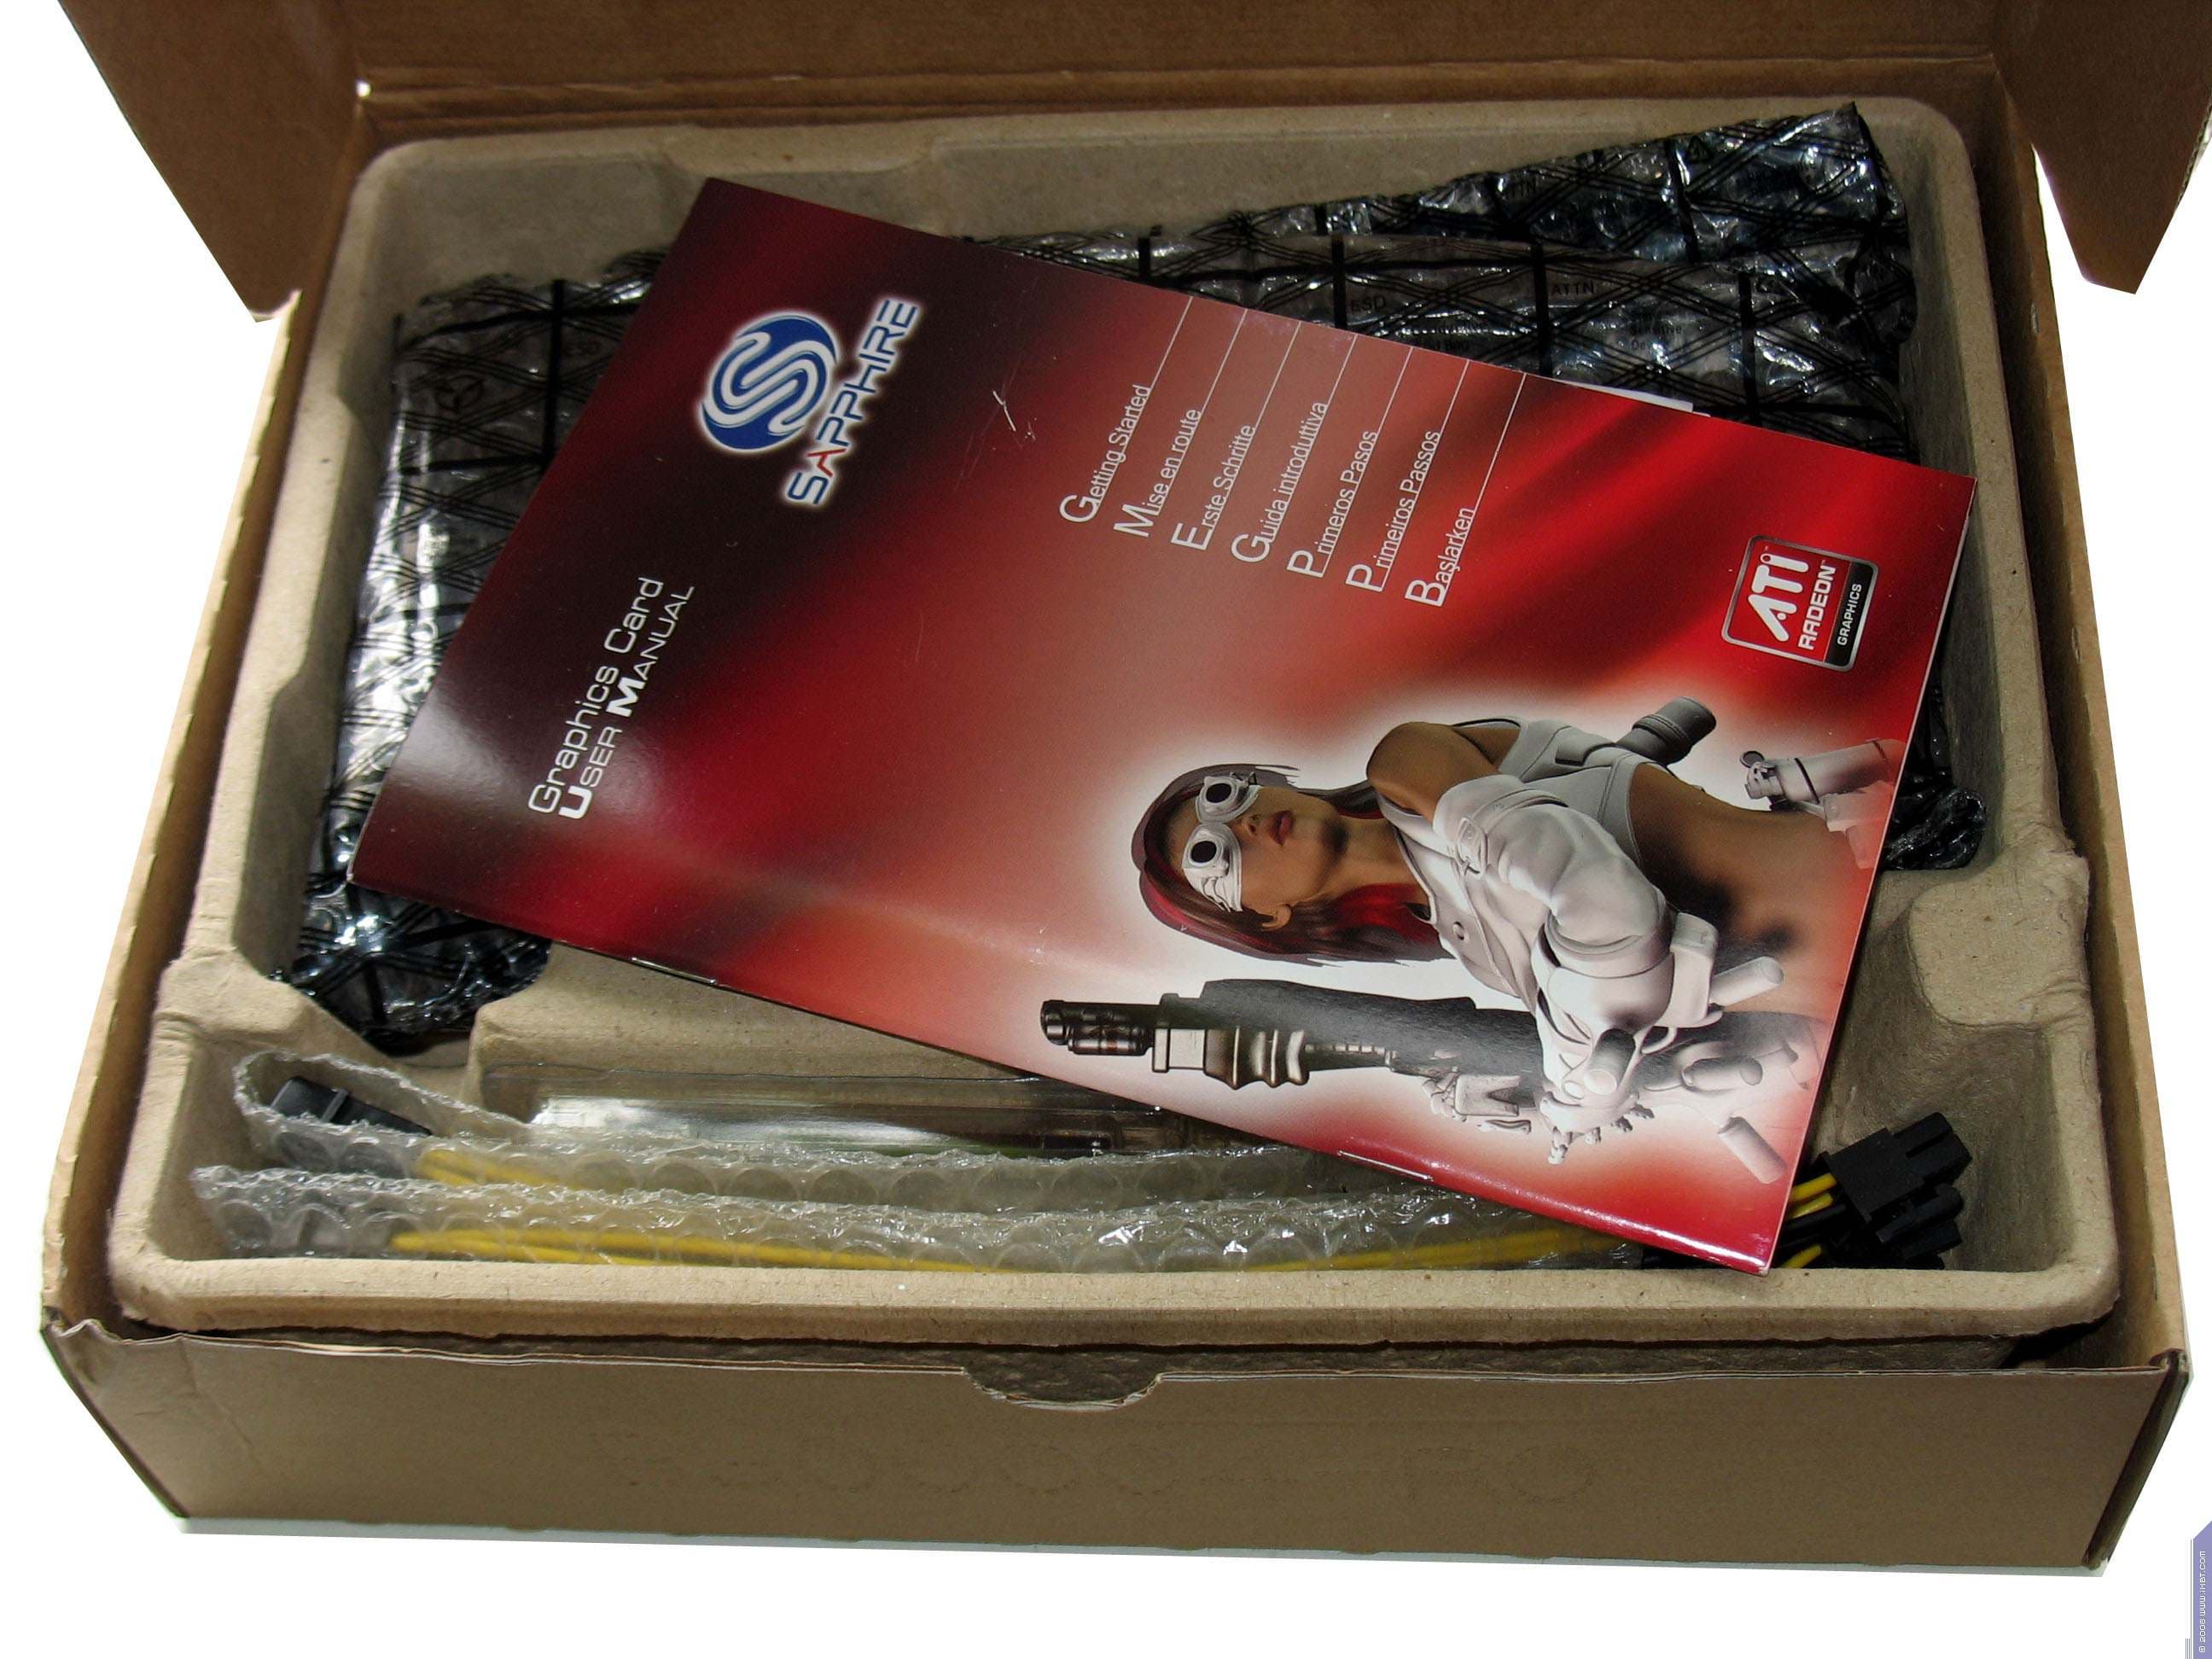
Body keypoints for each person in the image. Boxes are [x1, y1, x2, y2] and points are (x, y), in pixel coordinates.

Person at [1132, 710, 1893, 1157]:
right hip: (1863, 999)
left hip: (1876, 870)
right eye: (1212, 856)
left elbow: (1603, 902)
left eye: (1224, 798)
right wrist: (1589, 1090)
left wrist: (1571, 1071)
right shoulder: (1478, 954)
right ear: (1264, 917)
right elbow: (1669, 1033)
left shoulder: (1409, 763)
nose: (1242, 824)